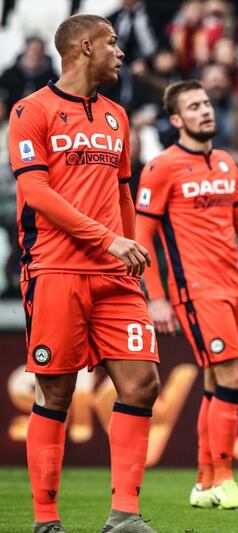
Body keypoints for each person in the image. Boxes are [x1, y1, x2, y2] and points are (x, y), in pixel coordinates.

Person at [8, 14, 160, 533]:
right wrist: (108, 239)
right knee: (56, 394)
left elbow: (121, 193)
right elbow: (36, 193)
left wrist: (130, 245)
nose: (121, 53)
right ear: (86, 46)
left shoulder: (118, 116)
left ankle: (124, 515)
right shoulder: (32, 110)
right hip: (55, 269)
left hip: (115, 272)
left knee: (141, 384)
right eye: (114, 44)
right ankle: (47, 520)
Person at [134, 80, 238, 510]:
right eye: (194, 106)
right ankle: (223, 478)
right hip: (195, 290)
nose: (205, 111)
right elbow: (142, 233)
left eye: (206, 103)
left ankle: (203, 485)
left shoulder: (225, 163)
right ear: (177, 120)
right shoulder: (161, 167)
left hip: (233, 287)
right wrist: (157, 297)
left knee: (215, 381)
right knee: (234, 377)